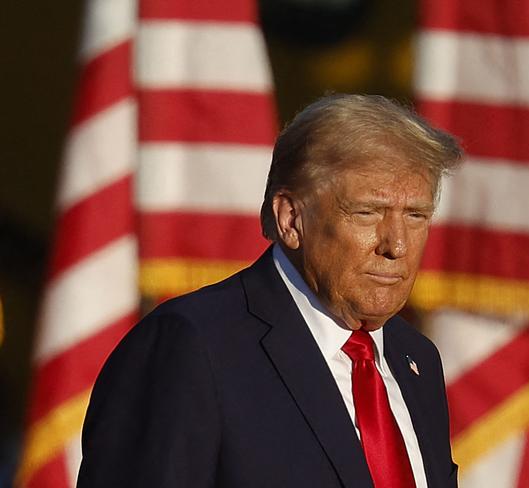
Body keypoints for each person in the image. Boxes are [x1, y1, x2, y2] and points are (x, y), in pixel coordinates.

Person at [77, 94, 462, 487]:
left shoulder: (417, 359)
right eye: (367, 212)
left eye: (415, 216)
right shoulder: (192, 347)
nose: (396, 245)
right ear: (291, 219)